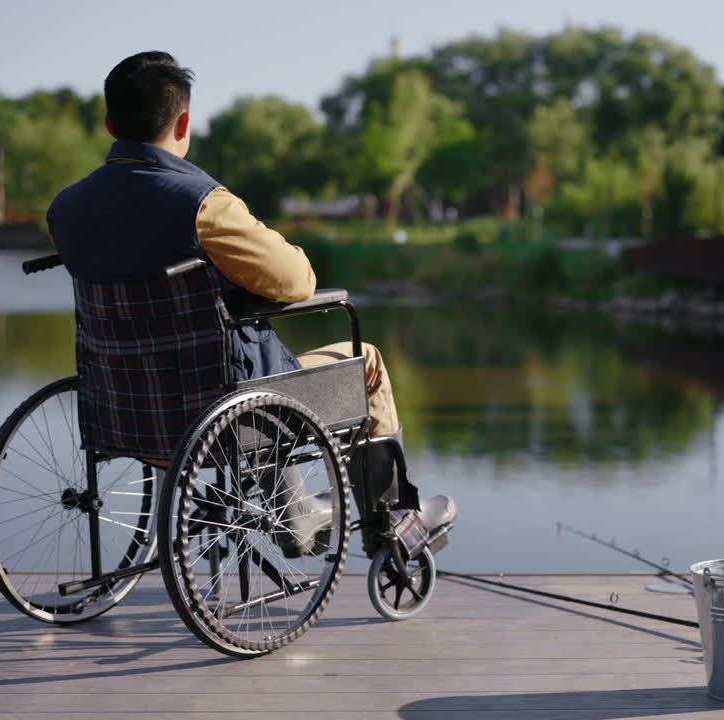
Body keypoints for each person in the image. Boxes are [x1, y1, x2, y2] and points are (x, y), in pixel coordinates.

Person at [47, 51, 451, 556]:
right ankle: (392, 525)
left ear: (109, 124)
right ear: (184, 120)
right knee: (363, 359)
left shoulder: (65, 210)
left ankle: (296, 509)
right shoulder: (200, 203)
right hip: (219, 409)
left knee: (239, 370)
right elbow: (298, 282)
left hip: (124, 412)